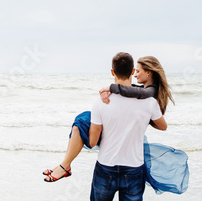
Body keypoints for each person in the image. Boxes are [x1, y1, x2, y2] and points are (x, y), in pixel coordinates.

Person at [83, 52, 164, 201]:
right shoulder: (148, 102)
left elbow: (91, 141)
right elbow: (163, 125)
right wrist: (143, 120)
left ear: (112, 73)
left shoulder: (101, 101)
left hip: (106, 166)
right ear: (132, 73)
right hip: (133, 169)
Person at [43, 55, 173, 182]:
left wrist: (111, 88)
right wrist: (113, 92)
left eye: (138, 71)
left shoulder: (151, 92)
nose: (135, 75)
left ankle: (65, 166)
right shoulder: (145, 90)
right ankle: (65, 164)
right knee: (81, 120)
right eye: (135, 71)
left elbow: (138, 94)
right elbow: (131, 90)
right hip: (126, 133)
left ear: (149, 73)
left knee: (81, 121)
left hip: (121, 148)